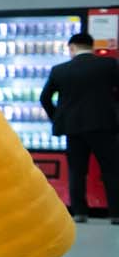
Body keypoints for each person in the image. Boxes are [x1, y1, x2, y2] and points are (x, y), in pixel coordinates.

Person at [42, 31, 119, 225]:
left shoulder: (60, 70)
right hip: (104, 125)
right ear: (91, 47)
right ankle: (116, 214)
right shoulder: (109, 65)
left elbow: (45, 98)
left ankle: (80, 213)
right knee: (111, 170)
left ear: (72, 47)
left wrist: (57, 118)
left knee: (77, 171)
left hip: (73, 128)